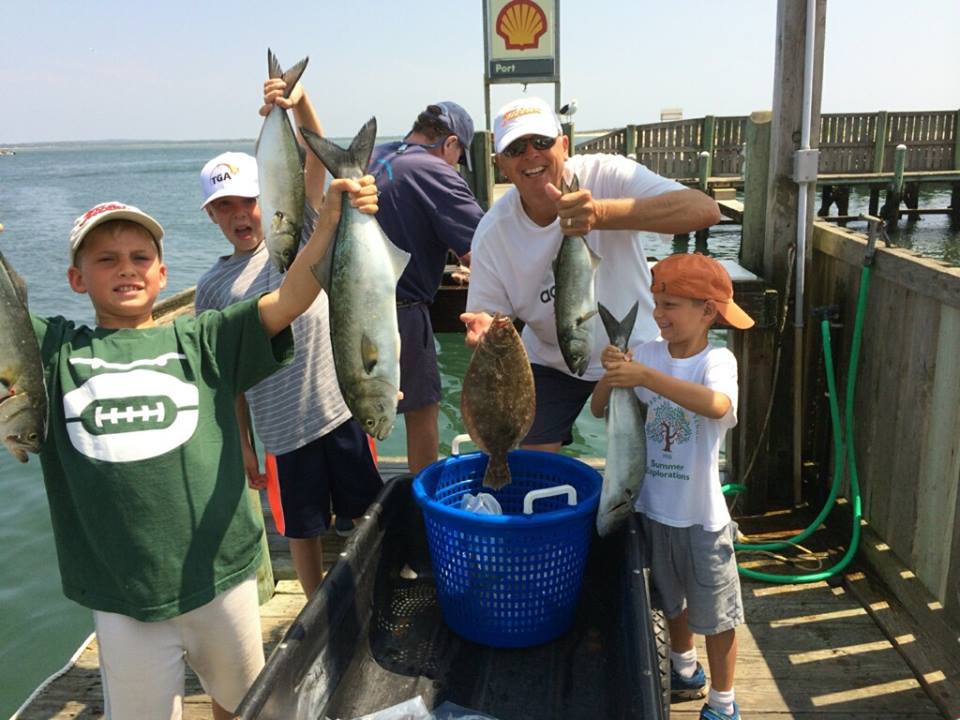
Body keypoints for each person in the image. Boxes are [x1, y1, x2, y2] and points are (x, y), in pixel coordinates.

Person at [30, 174, 377, 719]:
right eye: (106, 259)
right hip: (124, 596)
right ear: (76, 279)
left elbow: (289, 299)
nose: (126, 268)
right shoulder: (52, 354)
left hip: (223, 578)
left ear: (163, 274)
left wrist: (331, 220)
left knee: (247, 705)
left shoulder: (204, 337)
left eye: (141, 256)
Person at [196, 75, 383, 597]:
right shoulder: (211, 289)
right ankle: (314, 604)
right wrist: (245, 446)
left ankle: (378, 581)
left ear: (269, 196)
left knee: (366, 512)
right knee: (301, 529)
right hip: (280, 432)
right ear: (210, 214)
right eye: (225, 206)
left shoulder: (298, 227)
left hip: (341, 407)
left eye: (249, 201)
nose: (241, 214)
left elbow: (319, 159)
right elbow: (226, 377)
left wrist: (299, 103)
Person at [461, 96, 721, 452]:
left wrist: (602, 213)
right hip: (554, 359)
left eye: (542, 142)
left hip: (636, 352)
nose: (531, 154)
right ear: (501, 163)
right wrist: (485, 330)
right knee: (527, 465)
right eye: (516, 148)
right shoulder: (493, 234)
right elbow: (488, 316)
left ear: (564, 145)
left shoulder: (608, 174)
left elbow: (703, 210)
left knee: (657, 464)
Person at [590, 252, 754, 720]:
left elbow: (719, 406)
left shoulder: (717, 359)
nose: (659, 314)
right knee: (670, 600)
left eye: (672, 305)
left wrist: (646, 377)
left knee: (719, 616)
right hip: (651, 508)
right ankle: (685, 669)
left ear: (707, 312)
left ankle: (723, 702)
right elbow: (600, 409)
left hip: (701, 517)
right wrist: (615, 372)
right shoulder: (646, 353)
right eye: (657, 302)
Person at [369, 101, 485, 474]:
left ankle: (357, 506)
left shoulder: (374, 155)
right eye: (458, 157)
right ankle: (422, 499)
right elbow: (483, 252)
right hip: (400, 309)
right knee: (422, 410)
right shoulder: (437, 171)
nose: (455, 166)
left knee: (359, 407)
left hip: (347, 307)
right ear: (450, 143)